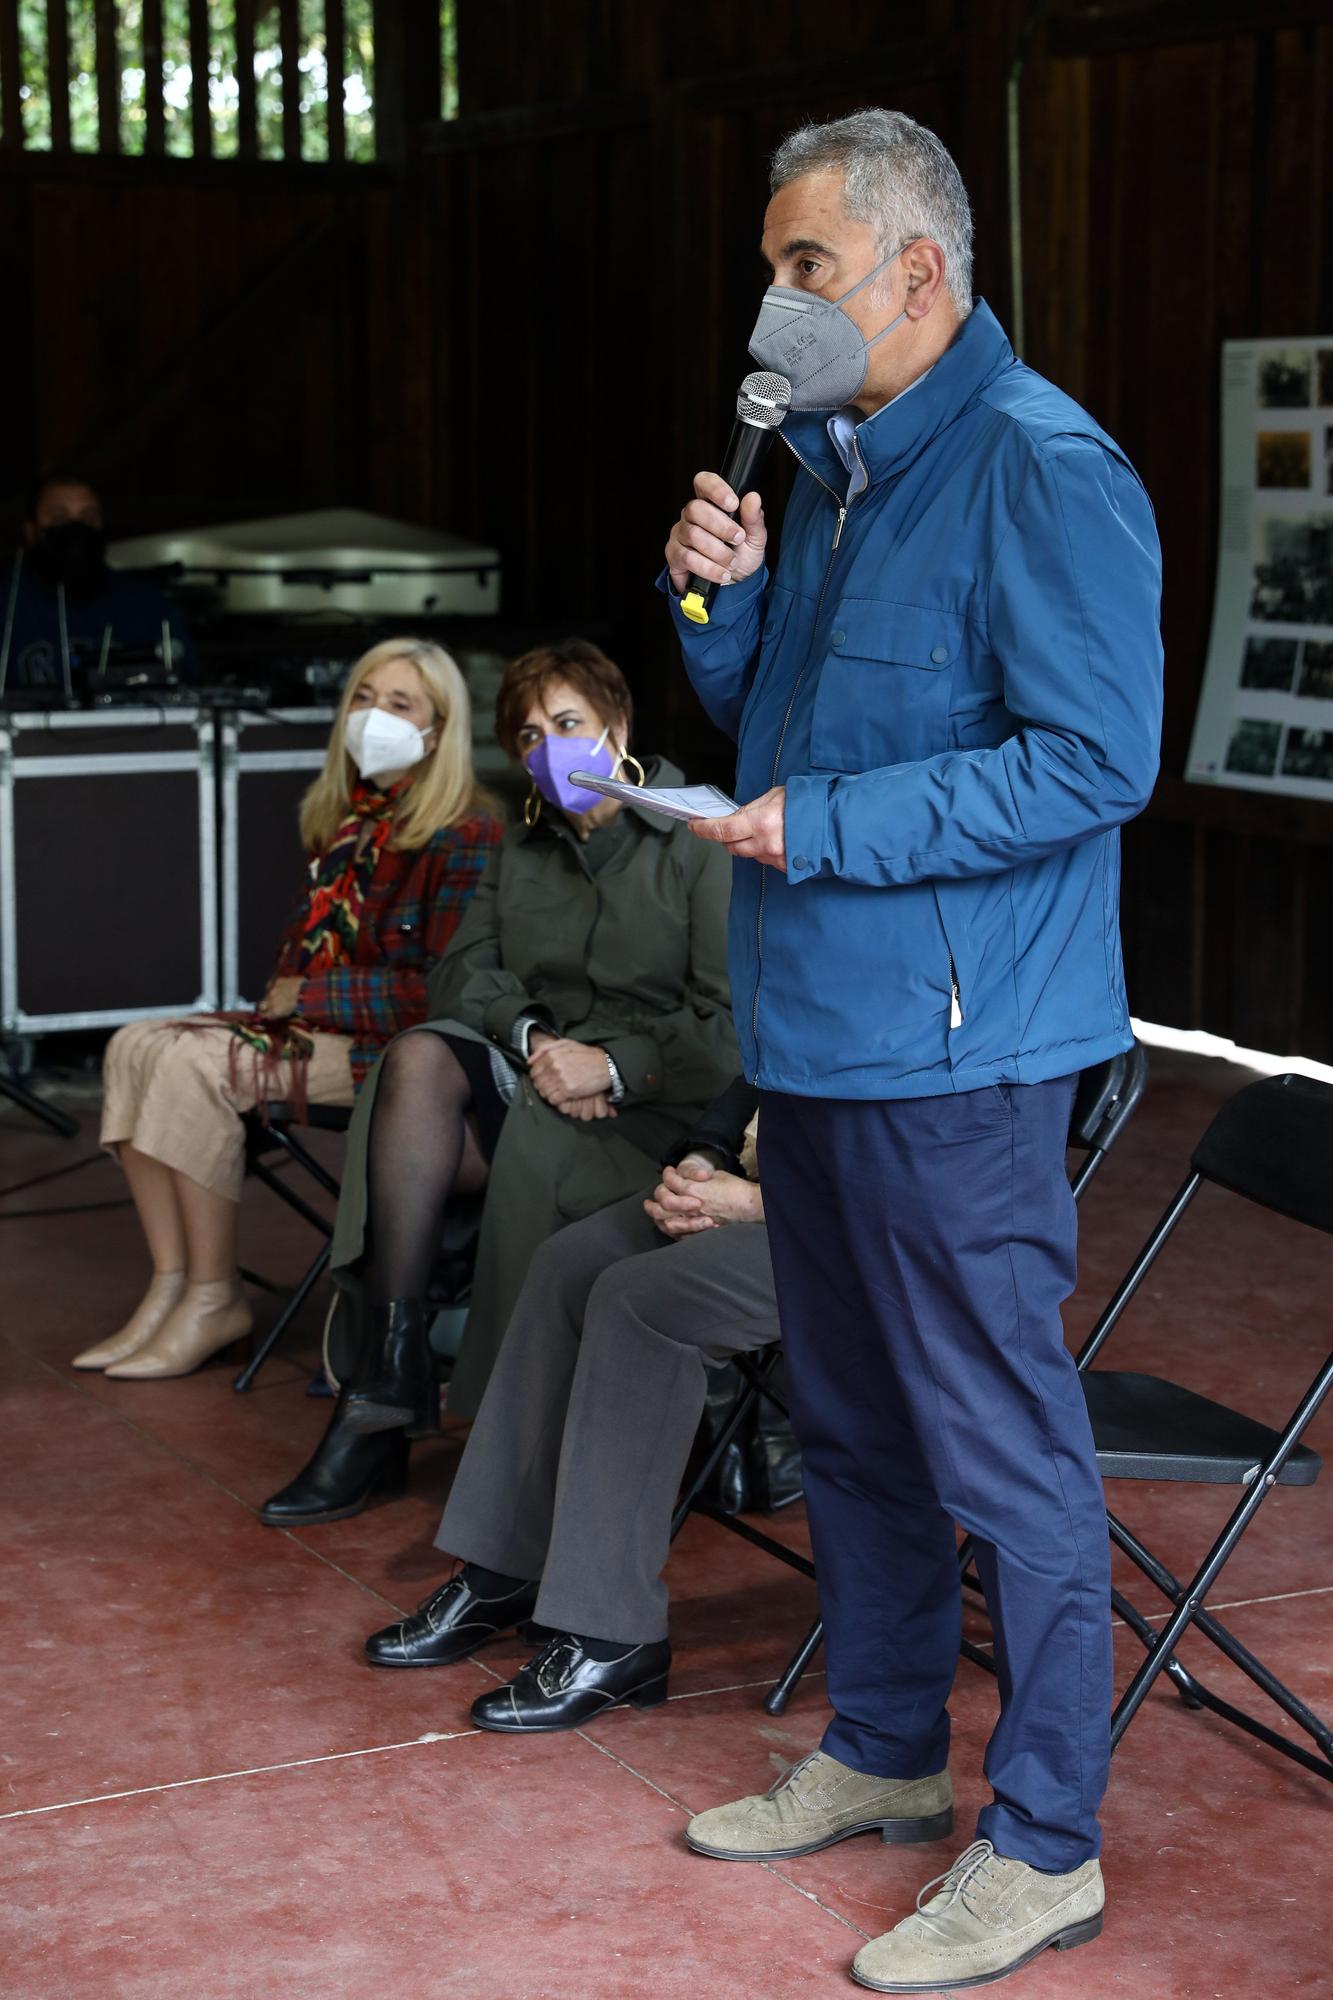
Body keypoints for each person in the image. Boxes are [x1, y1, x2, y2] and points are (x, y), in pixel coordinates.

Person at [662, 110, 1163, 1994]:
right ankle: (879, 1751)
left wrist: (831, 828)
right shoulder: (831, 469)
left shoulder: (1040, 470)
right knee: (856, 1429)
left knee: (999, 1447)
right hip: (823, 1039)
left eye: (804, 268)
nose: (773, 306)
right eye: (773, 268)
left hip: (963, 1058)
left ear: (917, 273)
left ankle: (1043, 1845)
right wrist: (711, 597)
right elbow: (763, 710)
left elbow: (1092, 759)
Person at [260, 639, 739, 1527]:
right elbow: (461, 975)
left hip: (653, 1105)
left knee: (495, 1140)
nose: (547, 748)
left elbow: (734, 1024)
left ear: (617, 728)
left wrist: (611, 1067)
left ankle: (392, 1416)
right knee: (416, 1060)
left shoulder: (696, 838)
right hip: (531, 1072)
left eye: (567, 724)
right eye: (527, 734)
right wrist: (534, 1037)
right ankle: (390, 1371)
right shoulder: (521, 848)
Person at [77, 638, 502, 1380]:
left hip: (388, 1057)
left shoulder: (467, 832)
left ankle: (215, 1297)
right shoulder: (345, 821)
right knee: (134, 1044)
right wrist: (296, 1000)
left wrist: (309, 996)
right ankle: (172, 1284)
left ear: (437, 730)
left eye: (399, 704)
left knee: (193, 1066)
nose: (373, 717)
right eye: (363, 700)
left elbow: (444, 996)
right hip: (315, 1032)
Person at [357, 1079, 782, 1730]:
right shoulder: (795, 975)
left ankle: (613, 1633)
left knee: (639, 1300)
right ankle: (506, 1567)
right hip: (759, 1179)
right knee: (569, 1264)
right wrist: (703, 1160)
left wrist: (758, 1204)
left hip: (861, 1229)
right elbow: (750, 1081)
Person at [0, 473, 196, 693]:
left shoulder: (144, 602)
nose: (76, 529)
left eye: (88, 519)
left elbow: (189, 687)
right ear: (31, 531)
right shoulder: (6, 603)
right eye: (59, 519)